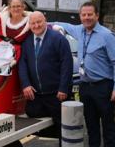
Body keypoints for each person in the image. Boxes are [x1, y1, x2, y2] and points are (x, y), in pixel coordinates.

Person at [52, 2, 115, 147]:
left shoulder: (107, 35)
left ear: (97, 16)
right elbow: (59, 24)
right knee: (91, 127)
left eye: (90, 14)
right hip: (85, 86)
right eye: (83, 15)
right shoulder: (79, 30)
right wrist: (27, 19)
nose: (86, 18)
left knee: (108, 126)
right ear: (80, 16)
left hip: (103, 86)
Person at [18, 11, 73, 147]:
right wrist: (25, 84)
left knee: (63, 127)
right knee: (32, 114)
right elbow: (22, 65)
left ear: (45, 21)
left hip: (56, 94)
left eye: (39, 22)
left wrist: (63, 88)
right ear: (29, 25)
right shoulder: (27, 42)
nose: (36, 25)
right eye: (33, 23)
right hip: (37, 95)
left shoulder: (58, 39)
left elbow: (67, 65)